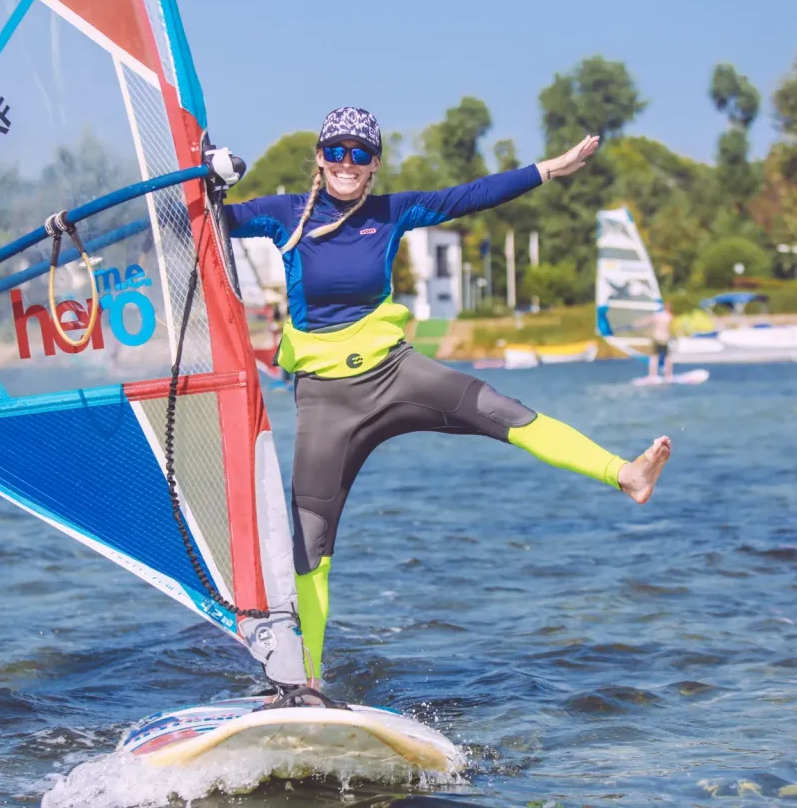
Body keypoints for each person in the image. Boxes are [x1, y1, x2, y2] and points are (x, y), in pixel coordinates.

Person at [223, 108, 672, 693]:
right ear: (320, 158)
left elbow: (472, 195)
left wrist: (548, 170)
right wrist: (204, 180)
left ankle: (627, 475)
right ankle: (307, 685)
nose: (348, 164)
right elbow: (206, 223)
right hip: (325, 400)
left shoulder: (391, 212)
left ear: (375, 164)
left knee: (504, 411)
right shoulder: (285, 214)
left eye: (361, 154)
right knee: (310, 538)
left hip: (396, 373)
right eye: (337, 151)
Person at [648, 300, 675, 381]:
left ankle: (652, 376)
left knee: (654, 357)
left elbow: (646, 321)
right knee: (667, 358)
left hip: (657, 338)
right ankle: (669, 376)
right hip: (665, 339)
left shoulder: (657, 316)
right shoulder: (670, 317)